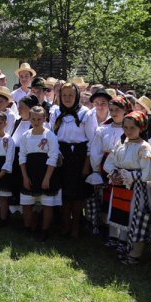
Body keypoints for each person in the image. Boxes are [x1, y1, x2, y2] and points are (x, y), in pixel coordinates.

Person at [104, 110, 151, 264]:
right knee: (120, 214)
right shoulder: (121, 144)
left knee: (133, 216)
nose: (128, 131)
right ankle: (121, 242)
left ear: (141, 128)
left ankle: (132, 247)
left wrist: (131, 176)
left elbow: (148, 173)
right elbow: (110, 162)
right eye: (125, 127)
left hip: (136, 189)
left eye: (132, 128)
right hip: (120, 186)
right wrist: (114, 173)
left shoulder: (144, 147)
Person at [50, 81, 98, 238]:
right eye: (64, 95)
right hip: (62, 155)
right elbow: (52, 136)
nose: (67, 98)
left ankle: (76, 225)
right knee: (63, 191)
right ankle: (65, 224)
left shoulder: (86, 114)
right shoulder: (56, 112)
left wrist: (86, 165)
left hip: (79, 155)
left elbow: (92, 141)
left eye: (71, 95)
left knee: (77, 194)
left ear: (77, 96)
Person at [17, 99, 60, 240]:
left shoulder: (50, 136)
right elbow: (22, 157)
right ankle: (27, 228)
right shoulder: (25, 136)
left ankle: (44, 230)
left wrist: (47, 178)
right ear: (29, 119)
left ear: (45, 119)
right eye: (33, 119)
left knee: (47, 203)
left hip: (46, 173)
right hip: (30, 173)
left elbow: (53, 157)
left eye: (39, 119)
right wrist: (24, 177)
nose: (36, 122)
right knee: (27, 202)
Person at [87, 94, 128, 238]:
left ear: (125, 110)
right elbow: (95, 151)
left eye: (117, 109)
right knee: (105, 198)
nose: (114, 112)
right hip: (106, 167)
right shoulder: (103, 129)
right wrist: (97, 169)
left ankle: (122, 232)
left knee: (121, 200)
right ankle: (107, 229)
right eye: (111, 109)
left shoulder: (130, 128)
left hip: (125, 168)